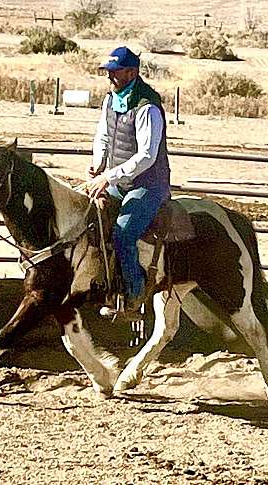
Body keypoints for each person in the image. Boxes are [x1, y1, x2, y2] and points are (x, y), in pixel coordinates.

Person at [85, 46, 171, 312]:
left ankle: (134, 291)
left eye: (114, 72)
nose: (109, 77)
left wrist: (108, 177)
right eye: (108, 73)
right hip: (117, 182)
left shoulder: (148, 107)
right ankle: (104, 284)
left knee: (123, 234)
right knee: (88, 219)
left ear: (132, 72)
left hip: (148, 185)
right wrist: (98, 162)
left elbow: (146, 155)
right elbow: (104, 136)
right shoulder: (111, 100)